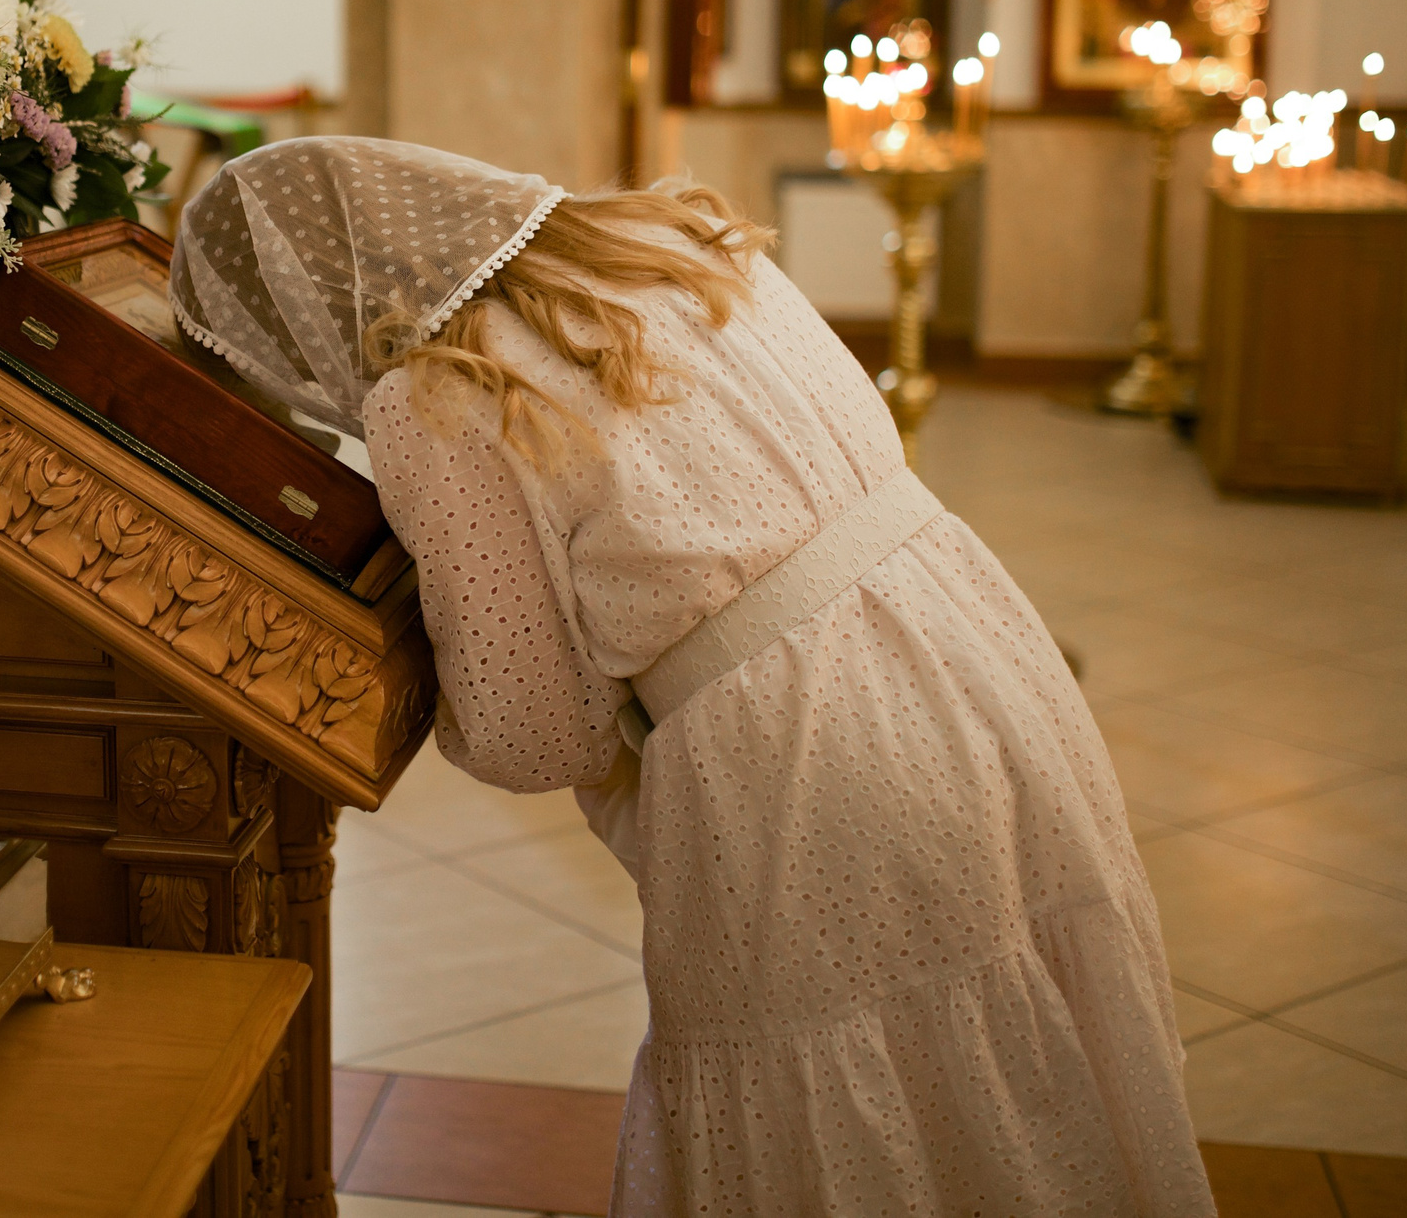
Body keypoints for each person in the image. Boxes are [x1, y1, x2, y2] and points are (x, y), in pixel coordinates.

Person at [170, 140, 1214, 1218]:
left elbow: (534, 734)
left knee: (843, 1106)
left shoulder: (435, 398)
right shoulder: (673, 241)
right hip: (970, 650)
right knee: (1015, 1055)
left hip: (814, 767)